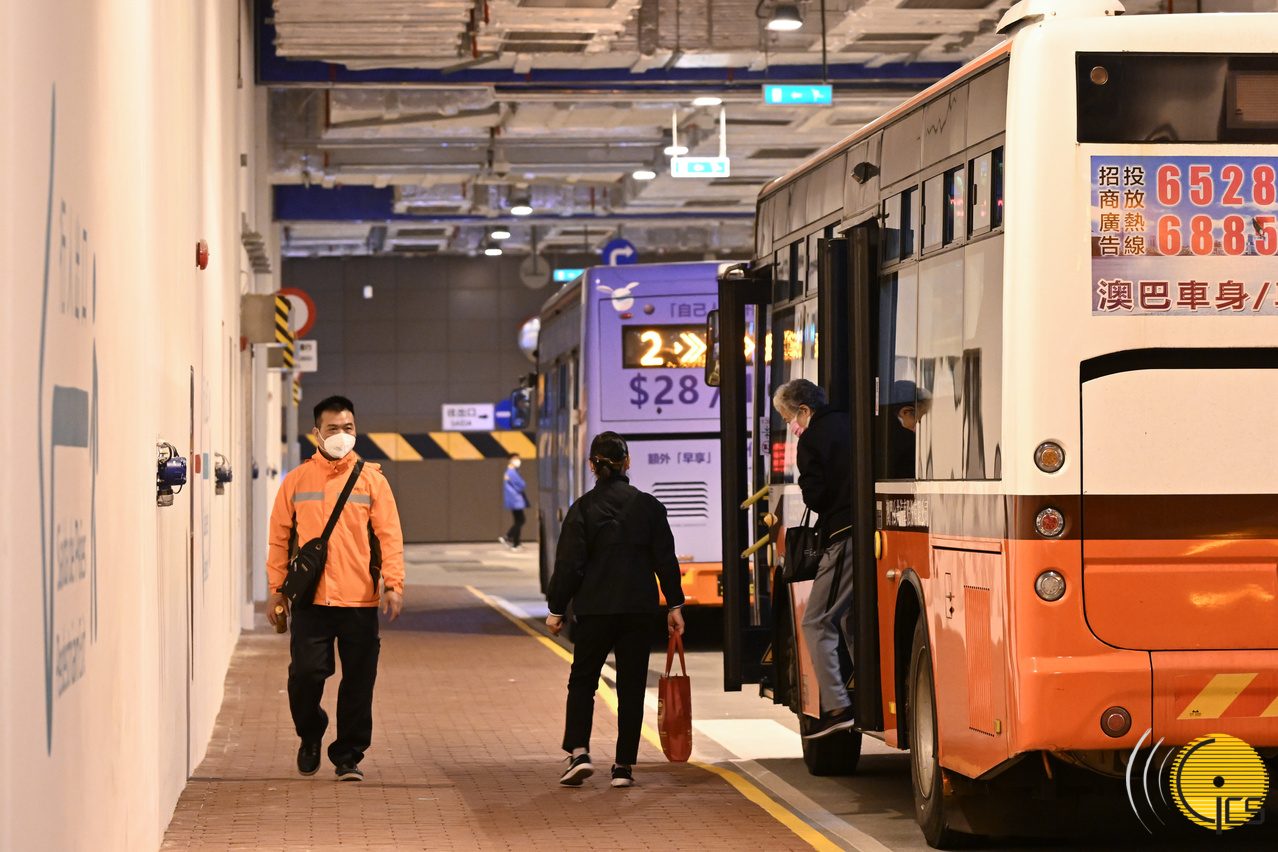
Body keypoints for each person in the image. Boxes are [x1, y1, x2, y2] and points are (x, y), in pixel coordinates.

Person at [267, 395, 405, 782]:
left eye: (348, 428)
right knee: (306, 675)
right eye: (333, 429)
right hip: (311, 600)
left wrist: (393, 583)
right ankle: (310, 733)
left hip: (360, 599)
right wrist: (277, 589)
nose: (342, 435)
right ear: (317, 433)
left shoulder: (373, 480)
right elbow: (279, 538)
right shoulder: (296, 481)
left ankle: (348, 755)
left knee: (359, 681)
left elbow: (390, 536)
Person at [545, 431, 685, 789]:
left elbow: (569, 565)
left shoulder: (582, 509)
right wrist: (674, 604)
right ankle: (623, 766)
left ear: (592, 465)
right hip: (638, 608)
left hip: (595, 609)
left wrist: (557, 609)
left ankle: (579, 753)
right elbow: (665, 559)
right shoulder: (649, 507)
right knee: (632, 686)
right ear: (628, 462)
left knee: (583, 681)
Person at [772, 378, 856, 739]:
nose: (792, 426)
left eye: (789, 418)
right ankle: (866, 693)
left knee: (816, 621)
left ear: (804, 410)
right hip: (870, 531)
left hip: (843, 534)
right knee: (850, 619)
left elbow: (817, 498)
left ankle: (837, 707)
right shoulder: (852, 421)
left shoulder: (812, 439)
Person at [498, 452, 529, 551]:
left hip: (514, 500)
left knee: (518, 520)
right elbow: (521, 484)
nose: (518, 461)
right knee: (521, 520)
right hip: (516, 500)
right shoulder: (511, 472)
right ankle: (509, 537)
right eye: (516, 458)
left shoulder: (511, 471)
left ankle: (516, 541)